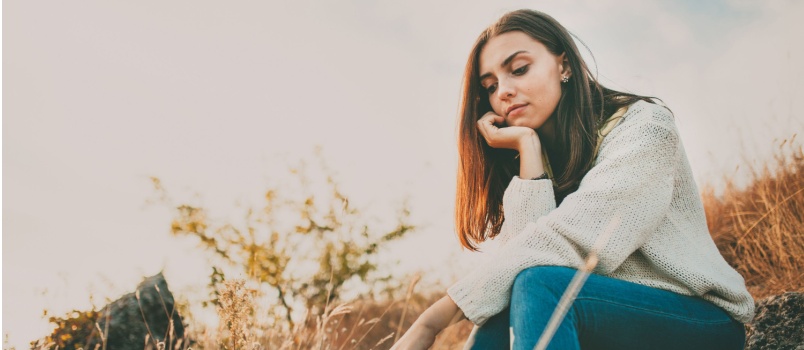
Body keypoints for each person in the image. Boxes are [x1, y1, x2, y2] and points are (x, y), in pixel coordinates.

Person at [390, 9, 754, 350]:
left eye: (518, 69)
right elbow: (523, 264)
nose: (502, 92)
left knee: (538, 284)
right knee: (511, 300)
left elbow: (574, 242)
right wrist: (528, 149)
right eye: (489, 86)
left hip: (699, 321)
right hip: (603, 315)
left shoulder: (646, 128)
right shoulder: (539, 160)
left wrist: (431, 321)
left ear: (563, 65)